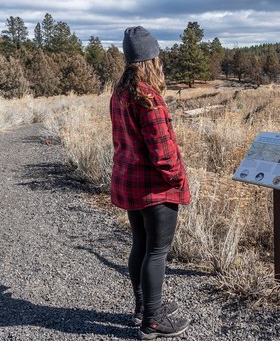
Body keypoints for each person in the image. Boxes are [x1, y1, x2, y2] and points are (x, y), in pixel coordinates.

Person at [110, 26, 191, 339]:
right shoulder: (149, 99)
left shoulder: (121, 93)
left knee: (141, 246)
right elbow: (164, 154)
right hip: (155, 188)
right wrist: (180, 180)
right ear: (149, 60)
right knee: (157, 252)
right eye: (157, 57)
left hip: (131, 184)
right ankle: (153, 322)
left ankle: (144, 308)